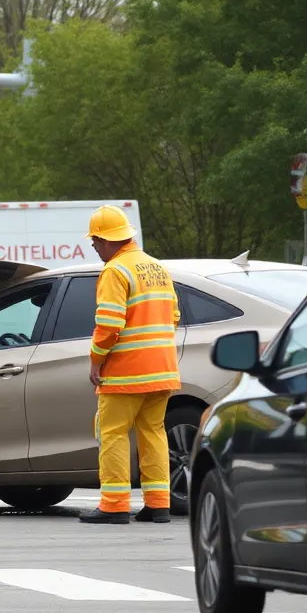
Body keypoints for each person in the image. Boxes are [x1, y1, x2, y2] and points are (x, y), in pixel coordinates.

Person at [79, 204, 180, 526]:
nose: (93, 246)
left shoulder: (115, 271)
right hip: (162, 369)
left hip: (126, 372)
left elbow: (108, 326)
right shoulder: (157, 268)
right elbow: (174, 317)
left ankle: (114, 505)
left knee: (112, 434)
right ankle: (158, 504)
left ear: (108, 240)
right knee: (153, 433)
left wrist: (96, 362)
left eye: (95, 240)